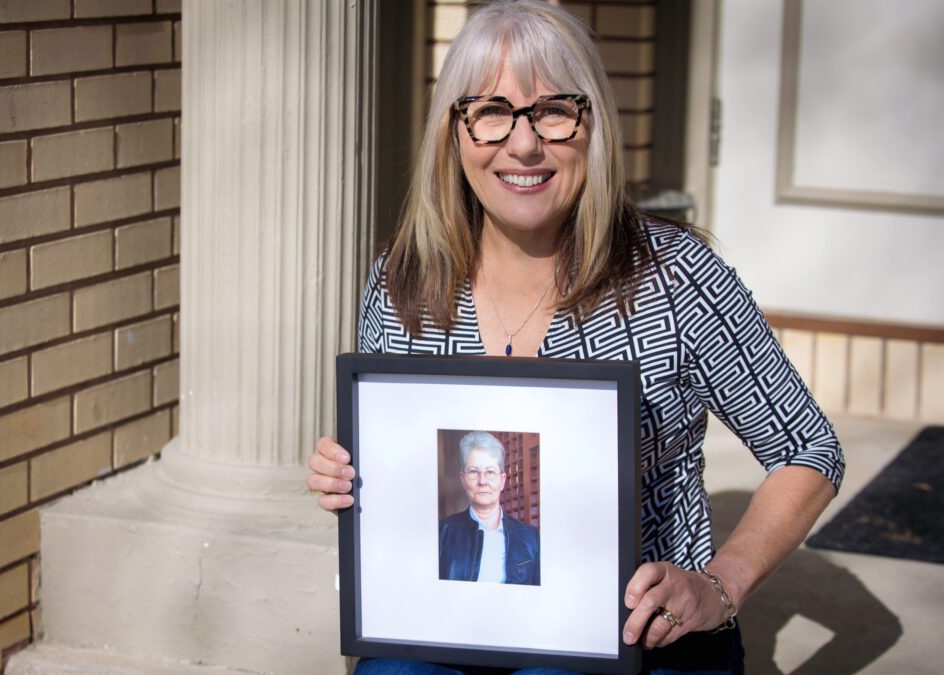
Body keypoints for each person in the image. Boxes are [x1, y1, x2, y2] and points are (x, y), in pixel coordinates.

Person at [307, 1, 844, 673]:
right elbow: (402, 484)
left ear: (593, 125)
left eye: (554, 110)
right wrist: (351, 482)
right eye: (491, 112)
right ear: (453, 132)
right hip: (456, 620)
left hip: (641, 634)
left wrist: (720, 583)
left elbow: (808, 448)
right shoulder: (405, 279)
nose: (525, 144)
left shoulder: (675, 276)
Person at [439, 431, 540, 585]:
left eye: (490, 472)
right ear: (463, 479)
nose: (483, 481)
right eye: (474, 472)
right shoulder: (441, 533)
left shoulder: (531, 539)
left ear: (502, 480)